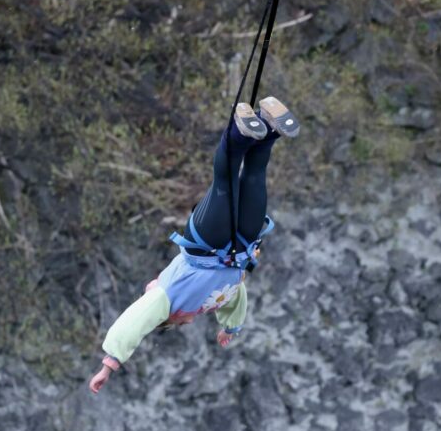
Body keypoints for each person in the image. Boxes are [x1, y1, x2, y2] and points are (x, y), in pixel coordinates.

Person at [88, 96, 299, 394]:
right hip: (240, 245)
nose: (189, 322)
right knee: (254, 178)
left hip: (205, 244)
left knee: (225, 184)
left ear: (171, 319)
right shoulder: (212, 302)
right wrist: (230, 327)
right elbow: (239, 297)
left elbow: (134, 322)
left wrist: (109, 363)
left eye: (182, 324)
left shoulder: (168, 299)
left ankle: (238, 132)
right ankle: (269, 127)